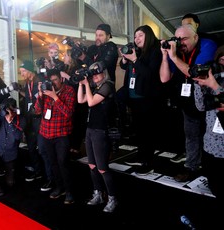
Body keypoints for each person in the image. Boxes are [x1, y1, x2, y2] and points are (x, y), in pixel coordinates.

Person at [160, 24, 217, 182]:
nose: (180, 43)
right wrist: (165, 56)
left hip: (209, 104)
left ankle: (210, 170)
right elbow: (164, 78)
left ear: (195, 37)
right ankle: (191, 167)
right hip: (188, 104)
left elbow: (196, 73)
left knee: (211, 138)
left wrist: (174, 58)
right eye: (177, 39)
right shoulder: (176, 52)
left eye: (184, 39)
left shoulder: (207, 44)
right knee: (191, 137)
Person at [120, 25, 164, 175]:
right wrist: (126, 60)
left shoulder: (155, 51)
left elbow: (150, 75)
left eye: (140, 35)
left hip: (148, 98)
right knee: (139, 130)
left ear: (149, 36)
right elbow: (122, 66)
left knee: (148, 132)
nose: (136, 39)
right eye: (135, 36)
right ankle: (140, 156)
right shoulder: (138, 51)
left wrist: (134, 59)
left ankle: (148, 162)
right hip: (134, 97)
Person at [77, 61, 118, 212]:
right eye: (92, 74)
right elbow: (81, 100)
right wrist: (82, 84)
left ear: (103, 72)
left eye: (96, 73)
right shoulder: (95, 87)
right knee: (92, 166)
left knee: (102, 168)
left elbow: (92, 102)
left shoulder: (108, 85)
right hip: (90, 129)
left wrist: (87, 84)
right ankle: (98, 193)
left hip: (101, 131)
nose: (94, 77)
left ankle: (112, 198)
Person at [34, 68, 76, 204]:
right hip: (46, 133)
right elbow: (37, 110)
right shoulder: (45, 92)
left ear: (61, 79)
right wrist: (40, 94)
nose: (52, 83)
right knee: (53, 163)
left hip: (61, 134)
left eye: (55, 80)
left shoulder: (69, 91)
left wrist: (55, 97)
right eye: (50, 81)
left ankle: (69, 191)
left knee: (63, 162)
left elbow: (69, 113)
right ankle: (59, 187)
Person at [193, 63, 224, 227]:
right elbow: (201, 106)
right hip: (210, 145)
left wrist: (215, 86)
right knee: (214, 186)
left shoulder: (216, 84)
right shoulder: (213, 80)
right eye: (221, 61)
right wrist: (200, 84)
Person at [0, 98, 26, 196]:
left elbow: (18, 137)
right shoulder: (1, 117)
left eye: (10, 110)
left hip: (11, 154)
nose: (7, 112)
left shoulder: (21, 119)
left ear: (14, 109)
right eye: (6, 109)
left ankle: (11, 171)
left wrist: (11, 123)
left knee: (10, 183)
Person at [19, 60, 44, 184]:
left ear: (29, 71)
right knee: (31, 147)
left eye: (23, 71)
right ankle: (38, 170)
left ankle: (45, 172)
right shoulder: (27, 83)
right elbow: (29, 97)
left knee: (42, 148)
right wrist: (20, 91)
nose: (22, 74)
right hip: (29, 119)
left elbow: (40, 98)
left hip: (39, 119)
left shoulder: (39, 81)